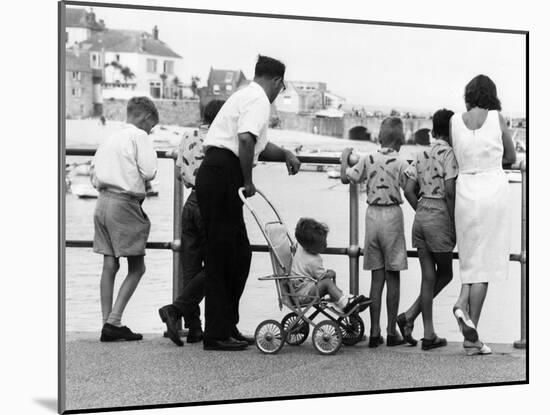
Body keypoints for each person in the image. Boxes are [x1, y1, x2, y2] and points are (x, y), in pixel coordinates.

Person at [195, 55, 301, 351]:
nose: (280, 94)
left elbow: (259, 146)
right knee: (222, 256)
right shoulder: (258, 100)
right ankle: (215, 333)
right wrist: (248, 180)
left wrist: (287, 154)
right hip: (222, 172)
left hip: (218, 170)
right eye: (281, 88)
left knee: (239, 254)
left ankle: (226, 325)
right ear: (278, 81)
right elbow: (244, 140)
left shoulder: (245, 95)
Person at [450, 74, 516, 355]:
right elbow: (511, 156)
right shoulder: (496, 118)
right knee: (485, 265)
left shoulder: (455, 121)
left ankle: (461, 305)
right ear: (491, 94)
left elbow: (458, 154)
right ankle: (472, 334)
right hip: (492, 191)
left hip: (465, 190)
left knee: (470, 259)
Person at [90, 97, 158, 342]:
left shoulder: (110, 137)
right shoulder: (139, 136)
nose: (151, 130)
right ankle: (114, 321)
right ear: (146, 118)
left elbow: (93, 173)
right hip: (124, 204)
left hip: (102, 202)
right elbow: (149, 170)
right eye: (153, 126)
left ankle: (106, 323)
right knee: (137, 267)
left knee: (110, 265)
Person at [158, 100, 225, 347]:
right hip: (210, 203)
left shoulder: (188, 136)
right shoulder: (223, 138)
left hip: (190, 203)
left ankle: (194, 328)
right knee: (218, 264)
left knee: (191, 269)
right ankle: (176, 309)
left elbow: (178, 173)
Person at [340, 117, 409, 348]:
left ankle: (374, 331)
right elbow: (410, 185)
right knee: (394, 276)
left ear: (378, 138)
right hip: (392, 216)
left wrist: (343, 158)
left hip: (371, 217)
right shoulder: (400, 162)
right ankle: (391, 332)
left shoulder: (368, 159)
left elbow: (346, 177)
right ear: (400, 141)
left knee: (376, 278)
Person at [399, 109, 458, 350]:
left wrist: (421, 209)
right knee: (446, 274)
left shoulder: (420, 153)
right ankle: (415, 320)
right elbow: (451, 190)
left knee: (428, 277)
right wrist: (453, 221)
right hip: (440, 216)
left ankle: (423, 329)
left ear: (433, 131)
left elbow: (408, 189)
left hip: (421, 216)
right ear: (453, 132)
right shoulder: (449, 154)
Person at [291, 218, 372, 311]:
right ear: (310, 248)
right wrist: (331, 273)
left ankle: (342, 298)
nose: (326, 245)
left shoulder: (301, 246)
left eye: (325, 241)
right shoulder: (313, 260)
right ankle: (345, 303)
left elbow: (297, 244)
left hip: (299, 290)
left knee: (327, 283)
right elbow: (322, 277)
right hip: (303, 295)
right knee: (327, 283)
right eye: (322, 244)